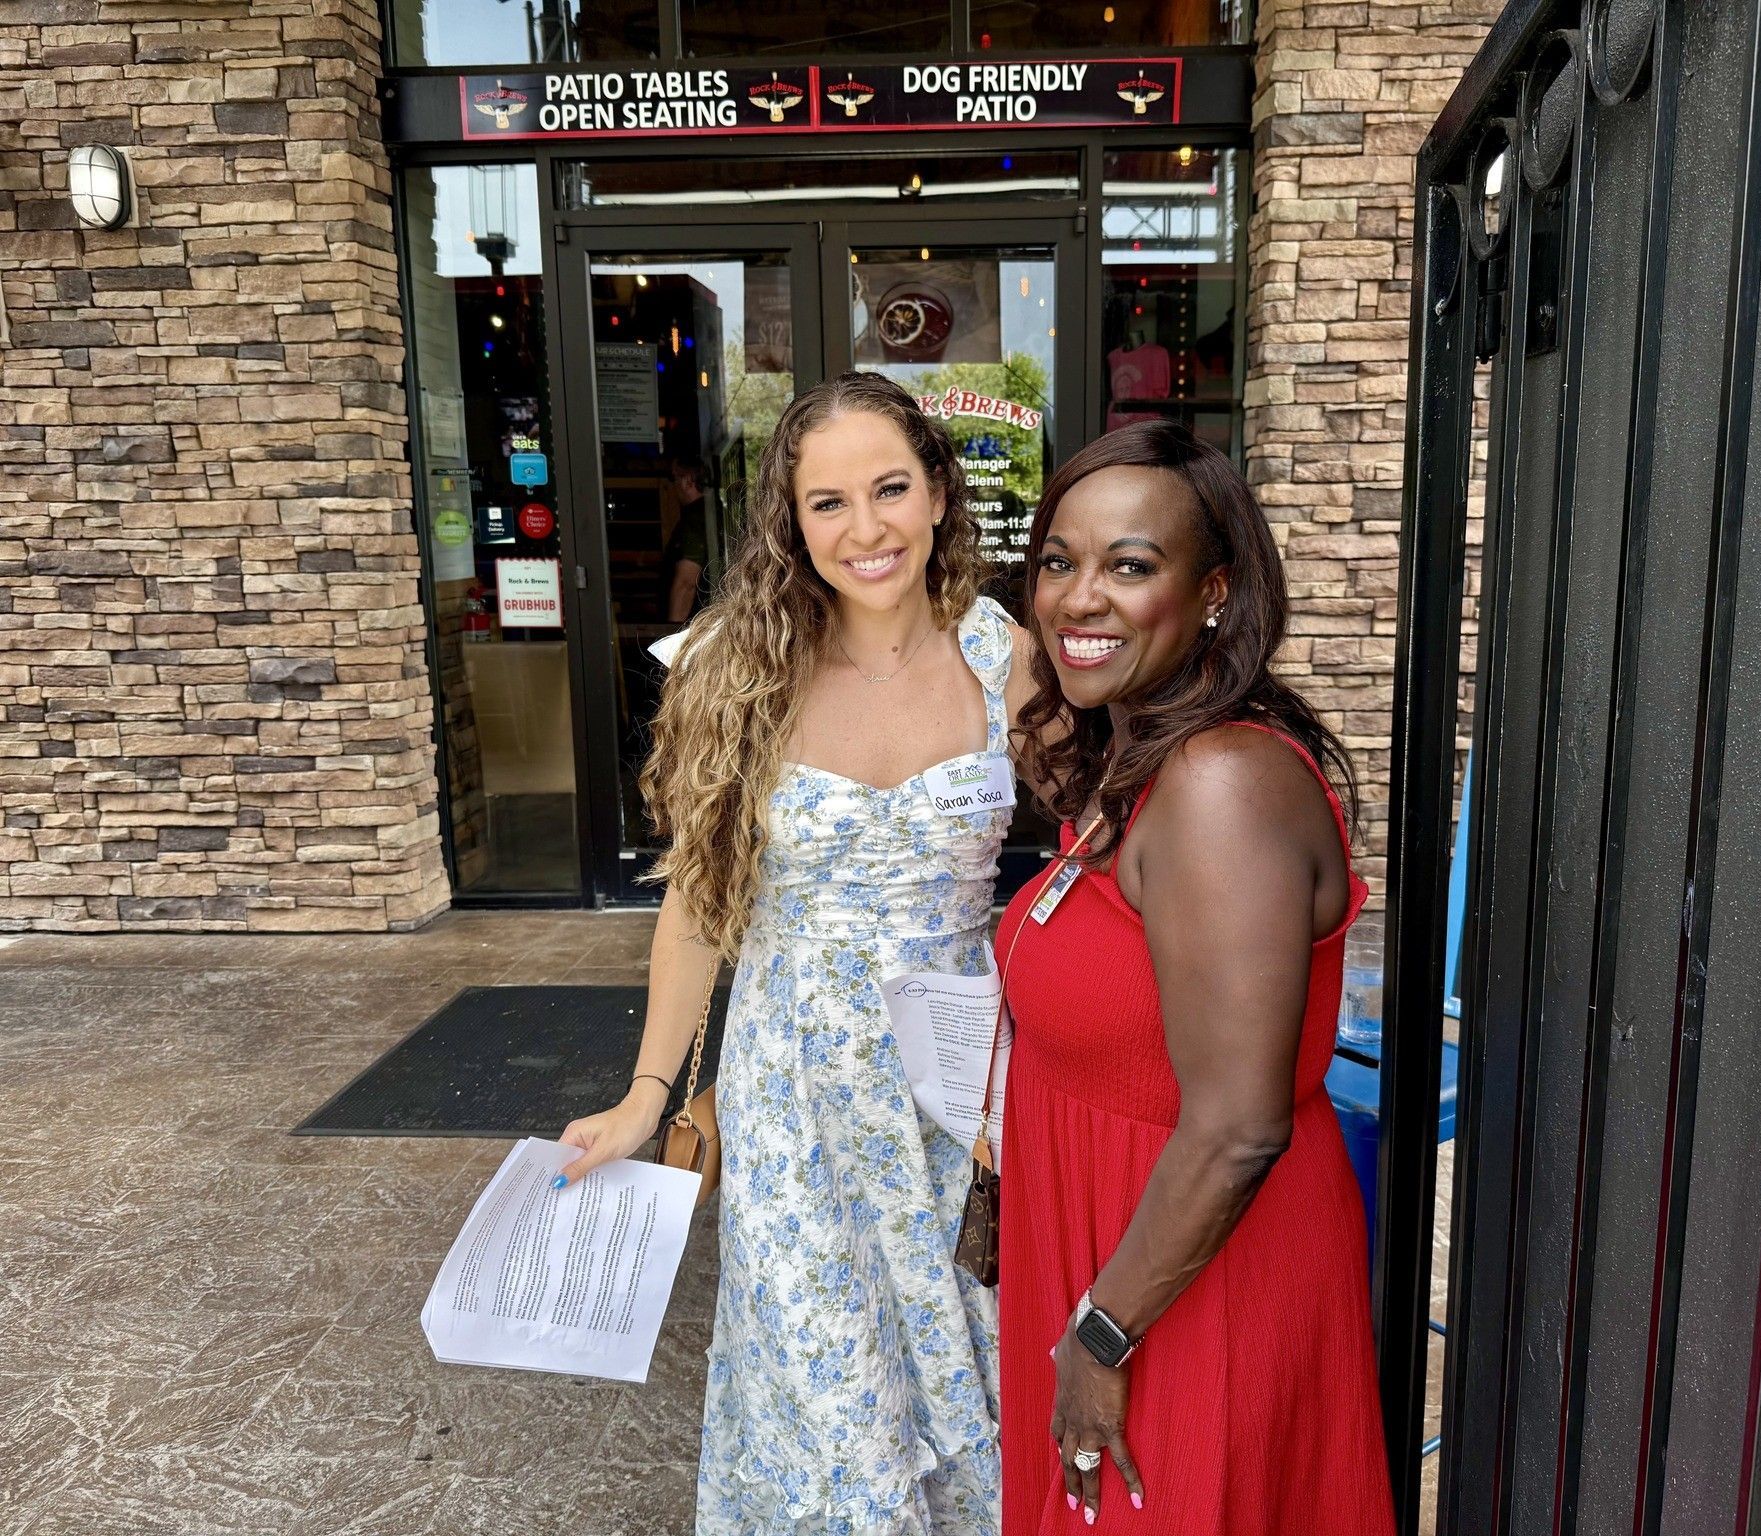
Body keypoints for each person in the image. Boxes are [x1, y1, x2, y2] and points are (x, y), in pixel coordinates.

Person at [557, 372, 1037, 1536]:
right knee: (825, 1391)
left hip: (959, 1095)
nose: (866, 528)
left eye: (890, 489)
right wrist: (646, 1096)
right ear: (793, 519)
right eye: (830, 502)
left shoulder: (1005, 657)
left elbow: (1093, 851)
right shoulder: (734, 663)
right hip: (793, 1093)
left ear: (938, 494)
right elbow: (697, 902)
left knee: (965, 1367)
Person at [994, 422, 1395, 1533]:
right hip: (1115, 1250)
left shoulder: (1221, 783)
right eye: (1058, 561)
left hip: (1183, 1283)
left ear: (1214, 591)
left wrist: (1103, 1334)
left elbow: (1236, 1130)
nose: (1079, 598)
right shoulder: (1140, 756)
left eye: (1129, 565)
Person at [663, 453, 711, 623]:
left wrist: (673, 631)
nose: (673, 485)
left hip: (695, 623)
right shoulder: (710, 512)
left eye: (674, 477)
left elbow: (687, 582)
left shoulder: (695, 520)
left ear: (688, 480)